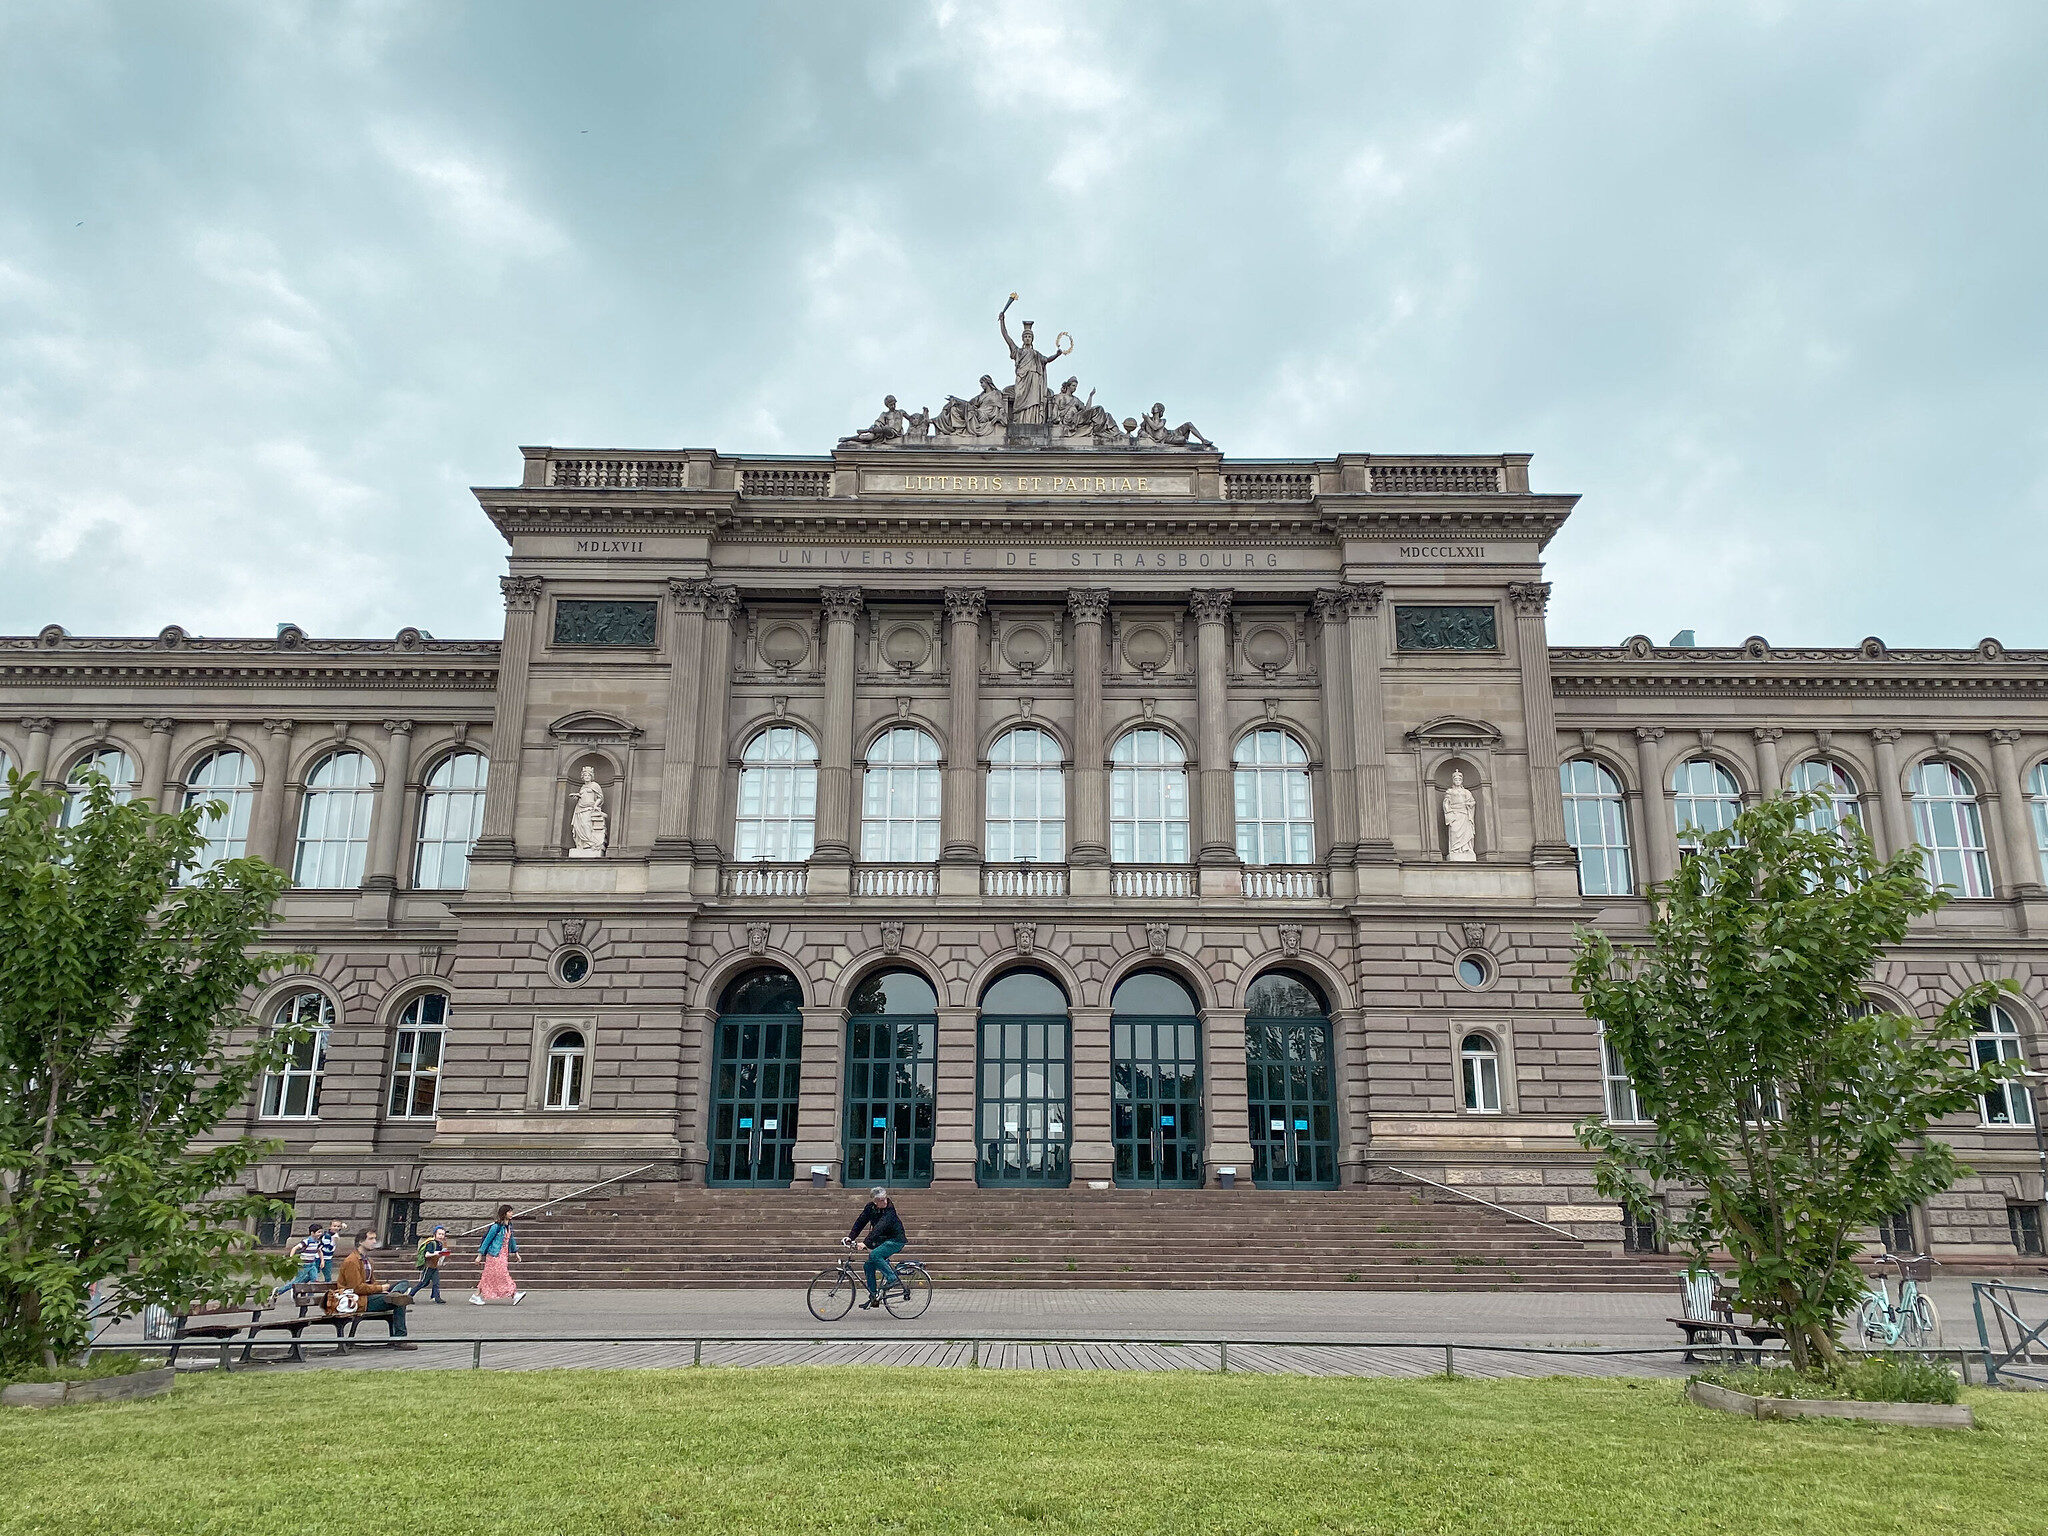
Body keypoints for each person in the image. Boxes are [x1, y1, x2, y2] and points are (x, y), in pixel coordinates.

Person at [330, 1228, 417, 1348]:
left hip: (369, 1296)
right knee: (399, 1301)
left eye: (375, 1238)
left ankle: (395, 1294)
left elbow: (372, 1283)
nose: (374, 1241)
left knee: (404, 1283)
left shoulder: (368, 1261)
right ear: (360, 1242)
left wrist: (382, 1288)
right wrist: (380, 1289)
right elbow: (356, 1288)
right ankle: (400, 1339)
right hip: (358, 1300)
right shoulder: (352, 1261)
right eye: (371, 1239)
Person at [844, 1187, 907, 1311]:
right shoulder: (870, 1208)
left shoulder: (890, 1211)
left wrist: (865, 1243)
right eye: (880, 1200)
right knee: (868, 1266)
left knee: (875, 1255)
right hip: (882, 1240)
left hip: (895, 1240)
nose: (884, 1202)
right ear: (874, 1202)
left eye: (884, 1199)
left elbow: (879, 1228)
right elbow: (860, 1222)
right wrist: (850, 1237)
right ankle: (874, 1297)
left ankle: (892, 1278)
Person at [471, 1204, 525, 1306]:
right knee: (503, 1274)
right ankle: (514, 1294)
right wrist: (480, 1255)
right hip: (494, 1255)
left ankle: (476, 1296)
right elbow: (486, 1241)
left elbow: (512, 1240)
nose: (511, 1213)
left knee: (488, 1276)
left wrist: (516, 1253)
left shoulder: (508, 1227)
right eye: (509, 1212)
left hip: (503, 1254)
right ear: (504, 1214)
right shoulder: (496, 1227)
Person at [414, 1225, 450, 1303]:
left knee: (436, 1282)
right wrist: (437, 1253)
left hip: (434, 1266)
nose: (441, 1236)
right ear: (435, 1234)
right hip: (428, 1266)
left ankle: (436, 1297)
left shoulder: (439, 1244)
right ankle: (409, 1295)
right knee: (423, 1283)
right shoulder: (431, 1243)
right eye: (439, 1234)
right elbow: (427, 1255)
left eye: (443, 1234)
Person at [319, 1218, 346, 1282]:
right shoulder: (327, 1236)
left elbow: (337, 1229)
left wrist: (342, 1225)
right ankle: (293, 1286)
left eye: (338, 1226)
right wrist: (334, 1242)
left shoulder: (333, 1234)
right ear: (330, 1227)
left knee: (327, 1276)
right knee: (326, 1276)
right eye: (334, 1226)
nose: (336, 1228)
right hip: (322, 1257)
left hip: (328, 1258)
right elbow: (328, 1249)